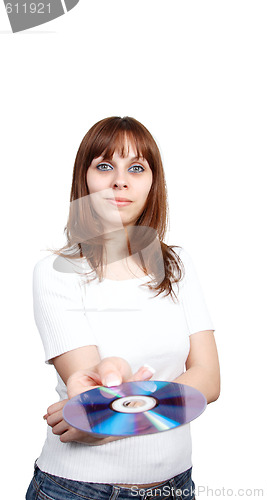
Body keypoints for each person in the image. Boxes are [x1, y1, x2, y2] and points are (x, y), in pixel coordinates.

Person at [26, 116, 220, 500]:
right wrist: (102, 416)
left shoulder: (177, 265)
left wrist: (112, 417)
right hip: (77, 489)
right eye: (104, 166)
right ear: (84, 180)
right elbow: (92, 403)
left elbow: (210, 381)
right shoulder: (56, 272)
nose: (120, 181)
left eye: (136, 168)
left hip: (176, 486)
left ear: (153, 182)